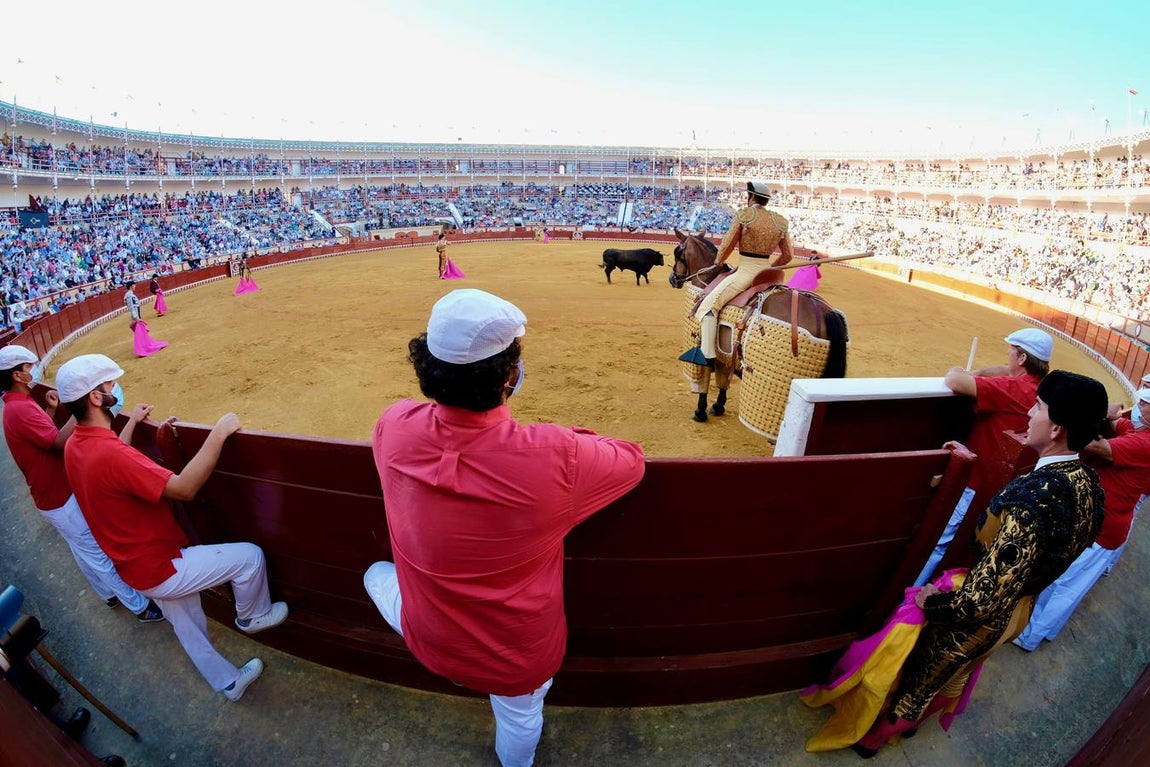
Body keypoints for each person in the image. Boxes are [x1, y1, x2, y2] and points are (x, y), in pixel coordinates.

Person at [363, 289, 645, 767]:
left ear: (426, 370)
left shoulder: (394, 426)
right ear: (510, 376)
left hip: (427, 638)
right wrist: (567, 440)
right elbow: (631, 460)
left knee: (374, 573)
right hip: (517, 659)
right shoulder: (558, 456)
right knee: (519, 717)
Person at [853, 370, 1107, 757]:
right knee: (957, 675)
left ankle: (873, 741)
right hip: (1022, 607)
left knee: (923, 678)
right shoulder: (1086, 482)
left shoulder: (1033, 500)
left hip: (980, 619)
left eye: (1037, 408)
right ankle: (911, 726)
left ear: (1056, 429)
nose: (1028, 414)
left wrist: (930, 602)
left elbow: (979, 602)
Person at [56, 354, 288, 701]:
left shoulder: (76, 444)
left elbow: (113, 451)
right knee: (249, 558)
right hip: (161, 564)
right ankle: (252, 616)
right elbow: (183, 488)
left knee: (187, 625)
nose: (115, 389)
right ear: (95, 397)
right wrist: (219, 432)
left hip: (131, 568)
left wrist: (132, 420)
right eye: (108, 385)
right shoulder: (109, 453)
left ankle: (228, 682)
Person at [0, 345, 162, 623]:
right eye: (29, 367)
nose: (34, 369)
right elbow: (55, 443)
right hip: (59, 496)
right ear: (18, 375)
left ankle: (106, 594)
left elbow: (41, 438)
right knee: (98, 551)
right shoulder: (20, 408)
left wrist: (51, 410)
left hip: (50, 496)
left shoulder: (15, 405)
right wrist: (85, 408)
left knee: (82, 549)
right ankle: (140, 607)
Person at [1013, 388, 1150, 651]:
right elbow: (1117, 419)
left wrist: (1085, 418)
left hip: (1103, 527)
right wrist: (1109, 415)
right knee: (1068, 583)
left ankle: (1030, 637)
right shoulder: (1139, 432)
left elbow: (1096, 445)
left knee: (1065, 585)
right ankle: (1043, 631)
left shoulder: (1143, 442)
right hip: (1104, 521)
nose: (1140, 403)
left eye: (1146, 403)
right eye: (1143, 398)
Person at [913, 328, 1053, 586]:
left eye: (1011, 351)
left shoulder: (1014, 387)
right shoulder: (1042, 391)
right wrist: (991, 372)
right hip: (1002, 491)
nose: (1008, 355)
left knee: (940, 542)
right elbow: (1003, 373)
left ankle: (909, 601)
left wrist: (962, 370)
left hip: (975, 485)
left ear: (1022, 358)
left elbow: (954, 380)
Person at [685, 181, 793, 363]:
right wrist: (770, 269)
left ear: (750, 197)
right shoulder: (780, 221)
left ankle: (707, 355)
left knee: (709, 305)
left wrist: (718, 261)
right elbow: (788, 255)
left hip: (745, 273)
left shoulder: (744, 216)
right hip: (769, 274)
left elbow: (727, 244)